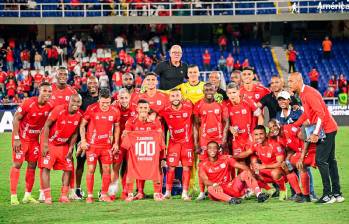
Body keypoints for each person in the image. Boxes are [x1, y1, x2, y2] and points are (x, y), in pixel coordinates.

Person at [289, 72, 344, 203]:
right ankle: (337, 193)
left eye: (291, 81)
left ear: (298, 81)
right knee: (331, 161)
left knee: (321, 161)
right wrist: (295, 125)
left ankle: (327, 195)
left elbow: (321, 114)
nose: (289, 83)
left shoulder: (309, 94)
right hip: (328, 128)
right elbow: (309, 114)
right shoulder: (304, 93)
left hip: (326, 129)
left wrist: (315, 133)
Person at [9, 82, 53, 205]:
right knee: (17, 164)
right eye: (45, 91)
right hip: (21, 138)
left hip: (34, 141)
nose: (47, 94)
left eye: (49, 91)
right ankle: (13, 196)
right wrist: (16, 138)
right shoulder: (29, 102)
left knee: (32, 166)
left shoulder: (50, 106)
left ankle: (27, 195)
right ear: (39, 90)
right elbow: (16, 118)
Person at [79, 88, 120, 203]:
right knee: (91, 169)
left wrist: (116, 142)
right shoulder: (91, 109)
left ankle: (104, 194)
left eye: (108, 102)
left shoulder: (115, 111)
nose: (105, 105)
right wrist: (83, 141)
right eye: (103, 103)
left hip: (106, 146)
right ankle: (90, 196)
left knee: (107, 169)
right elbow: (82, 125)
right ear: (99, 100)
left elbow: (117, 127)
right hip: (92, 146)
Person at [40, 94, 82, 204]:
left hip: (64, 145)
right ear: (69, 101)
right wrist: (45, 144)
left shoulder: (79, 116)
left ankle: (63, 195)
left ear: (80, 104)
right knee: (46, 168)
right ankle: (47, 196)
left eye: (78, 102)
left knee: (68, 169)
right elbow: (47, 126)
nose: (75, 104)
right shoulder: (58, 110)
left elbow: (75, 134)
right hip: (50, 143)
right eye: (73, 101)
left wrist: (71, 147)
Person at [200, 141, 269, 204]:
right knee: (210, 188)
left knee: (245, 173)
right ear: (207, 150)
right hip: (218, 190)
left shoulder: (226, 159)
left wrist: (251, 174)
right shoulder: (203, 164)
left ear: (218, 150)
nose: (212, 150)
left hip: (230, 186)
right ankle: (231, 200)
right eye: (210, 148)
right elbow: (205, 181)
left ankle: (259, 194)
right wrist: (214, 184)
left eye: (215, 148)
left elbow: (243, 167)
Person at [122, 99, 164, 201]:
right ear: (137, 108)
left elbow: (160, 137)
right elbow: (125, 138)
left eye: (145, 108)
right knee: (132, 169)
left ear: (149, 109)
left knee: (156, 168)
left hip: (151, 153)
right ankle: (133, 193)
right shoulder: (130, 122)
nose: (143, 110)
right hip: (135, 153)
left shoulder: (155, 122)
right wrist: (125, 135)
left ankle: (157, 193)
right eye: (141, 108)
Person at [194, 83, 229, 200]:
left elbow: (226, 122)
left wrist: (223, 139)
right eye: (206, 89)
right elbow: (195, 125)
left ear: (215, 90)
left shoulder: (221, 104)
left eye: (211, 89)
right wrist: (196, 143)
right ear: (203, 90)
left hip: (218, 139)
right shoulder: (198, 105)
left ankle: (224, 189)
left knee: (223, 164)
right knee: (202, 164)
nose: (209, 91)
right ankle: (202, 192)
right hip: (205, 140)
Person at [234, 125, 287, 201]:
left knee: (275, 173)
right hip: (266, 171)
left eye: (261, 134)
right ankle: (270, 189)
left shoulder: (275, 145)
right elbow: (247, 153)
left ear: (266, 134)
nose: (258, 137)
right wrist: (232, 157)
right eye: (256, 134)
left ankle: (283, 190)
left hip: (279, 171)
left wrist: (264, 166)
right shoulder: (256, 145)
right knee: (251, 173)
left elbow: (280, 163)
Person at [268, 120, 316, 203]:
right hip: (299, 153)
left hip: (311, 150)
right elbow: (290, 150)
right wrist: (286, 160)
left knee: (300, 165)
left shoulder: (289, 128)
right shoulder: (279, 139)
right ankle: (299, 194)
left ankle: (306, 196)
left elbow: (306, 139)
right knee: (286, 166)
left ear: (279, 124)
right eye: (270, 128)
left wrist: (301, 157)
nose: (273, 129)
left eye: (274, 125)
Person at [159, 89, 194, 201]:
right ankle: (167, 193)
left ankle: (184, 193)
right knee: (171, 167)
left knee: (186, 168)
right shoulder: (165, 110)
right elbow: (153, 115)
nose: (175, 98)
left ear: (181, 97)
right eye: (173, 96)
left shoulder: (189, 106)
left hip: (187, 143)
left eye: (177, 95)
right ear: (170, 98)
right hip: (173, 143)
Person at [74, 76, 100, 199]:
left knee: (102, 163)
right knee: (80, 163)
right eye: (90, 83)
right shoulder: (81, 96)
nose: (92, 84)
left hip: (100, 135)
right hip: (83, 135)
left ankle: (102, 190)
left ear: (99, 84)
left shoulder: (104, 97)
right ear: (86, 84)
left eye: (95, 82)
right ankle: (77, 190)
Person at [110, 88, 136, 199]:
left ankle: (126, 192)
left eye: (126, 98)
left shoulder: (136, 108)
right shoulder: (113, 108)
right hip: (118, 141)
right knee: (116, 166)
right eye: (121, 98)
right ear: (117, 98)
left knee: (129, 167)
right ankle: (112, 192)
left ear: (130, 98)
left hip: (131, 142)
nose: (124, 100)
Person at [225, 83, 263, 158]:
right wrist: (230, 128)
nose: (232, 95)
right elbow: (224, 122)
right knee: (240, 164)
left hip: (250, 137)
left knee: (253, 161)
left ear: (238, 92)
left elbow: (260, 117)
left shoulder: (248, 101)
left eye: (234, 92)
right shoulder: (226, 105)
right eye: (229, 93)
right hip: (237, 140)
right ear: (227, 94)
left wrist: (257, 135)